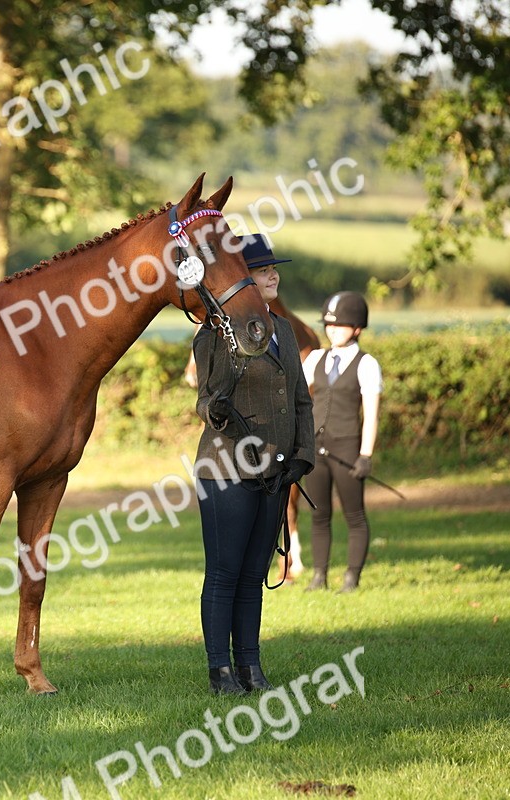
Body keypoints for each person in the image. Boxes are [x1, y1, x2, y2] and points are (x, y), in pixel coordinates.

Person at [193, 234, 316, 695]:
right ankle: (219, 671)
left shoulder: (283, 330)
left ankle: (251, 667)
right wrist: (216, 411)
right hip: (226, 469)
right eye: (263, 270)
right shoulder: (212, 334)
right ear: (242, 278)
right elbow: (205, 399)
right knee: (224, 574)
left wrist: (303, 456)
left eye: (273, 269)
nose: (273, 276)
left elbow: (301, 399)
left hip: (276, 471)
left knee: (252, 576)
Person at [302, 291, 382, 593]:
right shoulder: (316, 359)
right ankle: (319, 576)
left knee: (354, 515)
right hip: (316, 449)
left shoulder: (367, 364)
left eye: (340, 325)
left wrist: (366, 454)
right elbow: (300, 398)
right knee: (319, 514)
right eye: (329, 325)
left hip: (348, 447)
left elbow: (371, 414)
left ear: (357, 328)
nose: (332, 330)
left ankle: (351, 577)